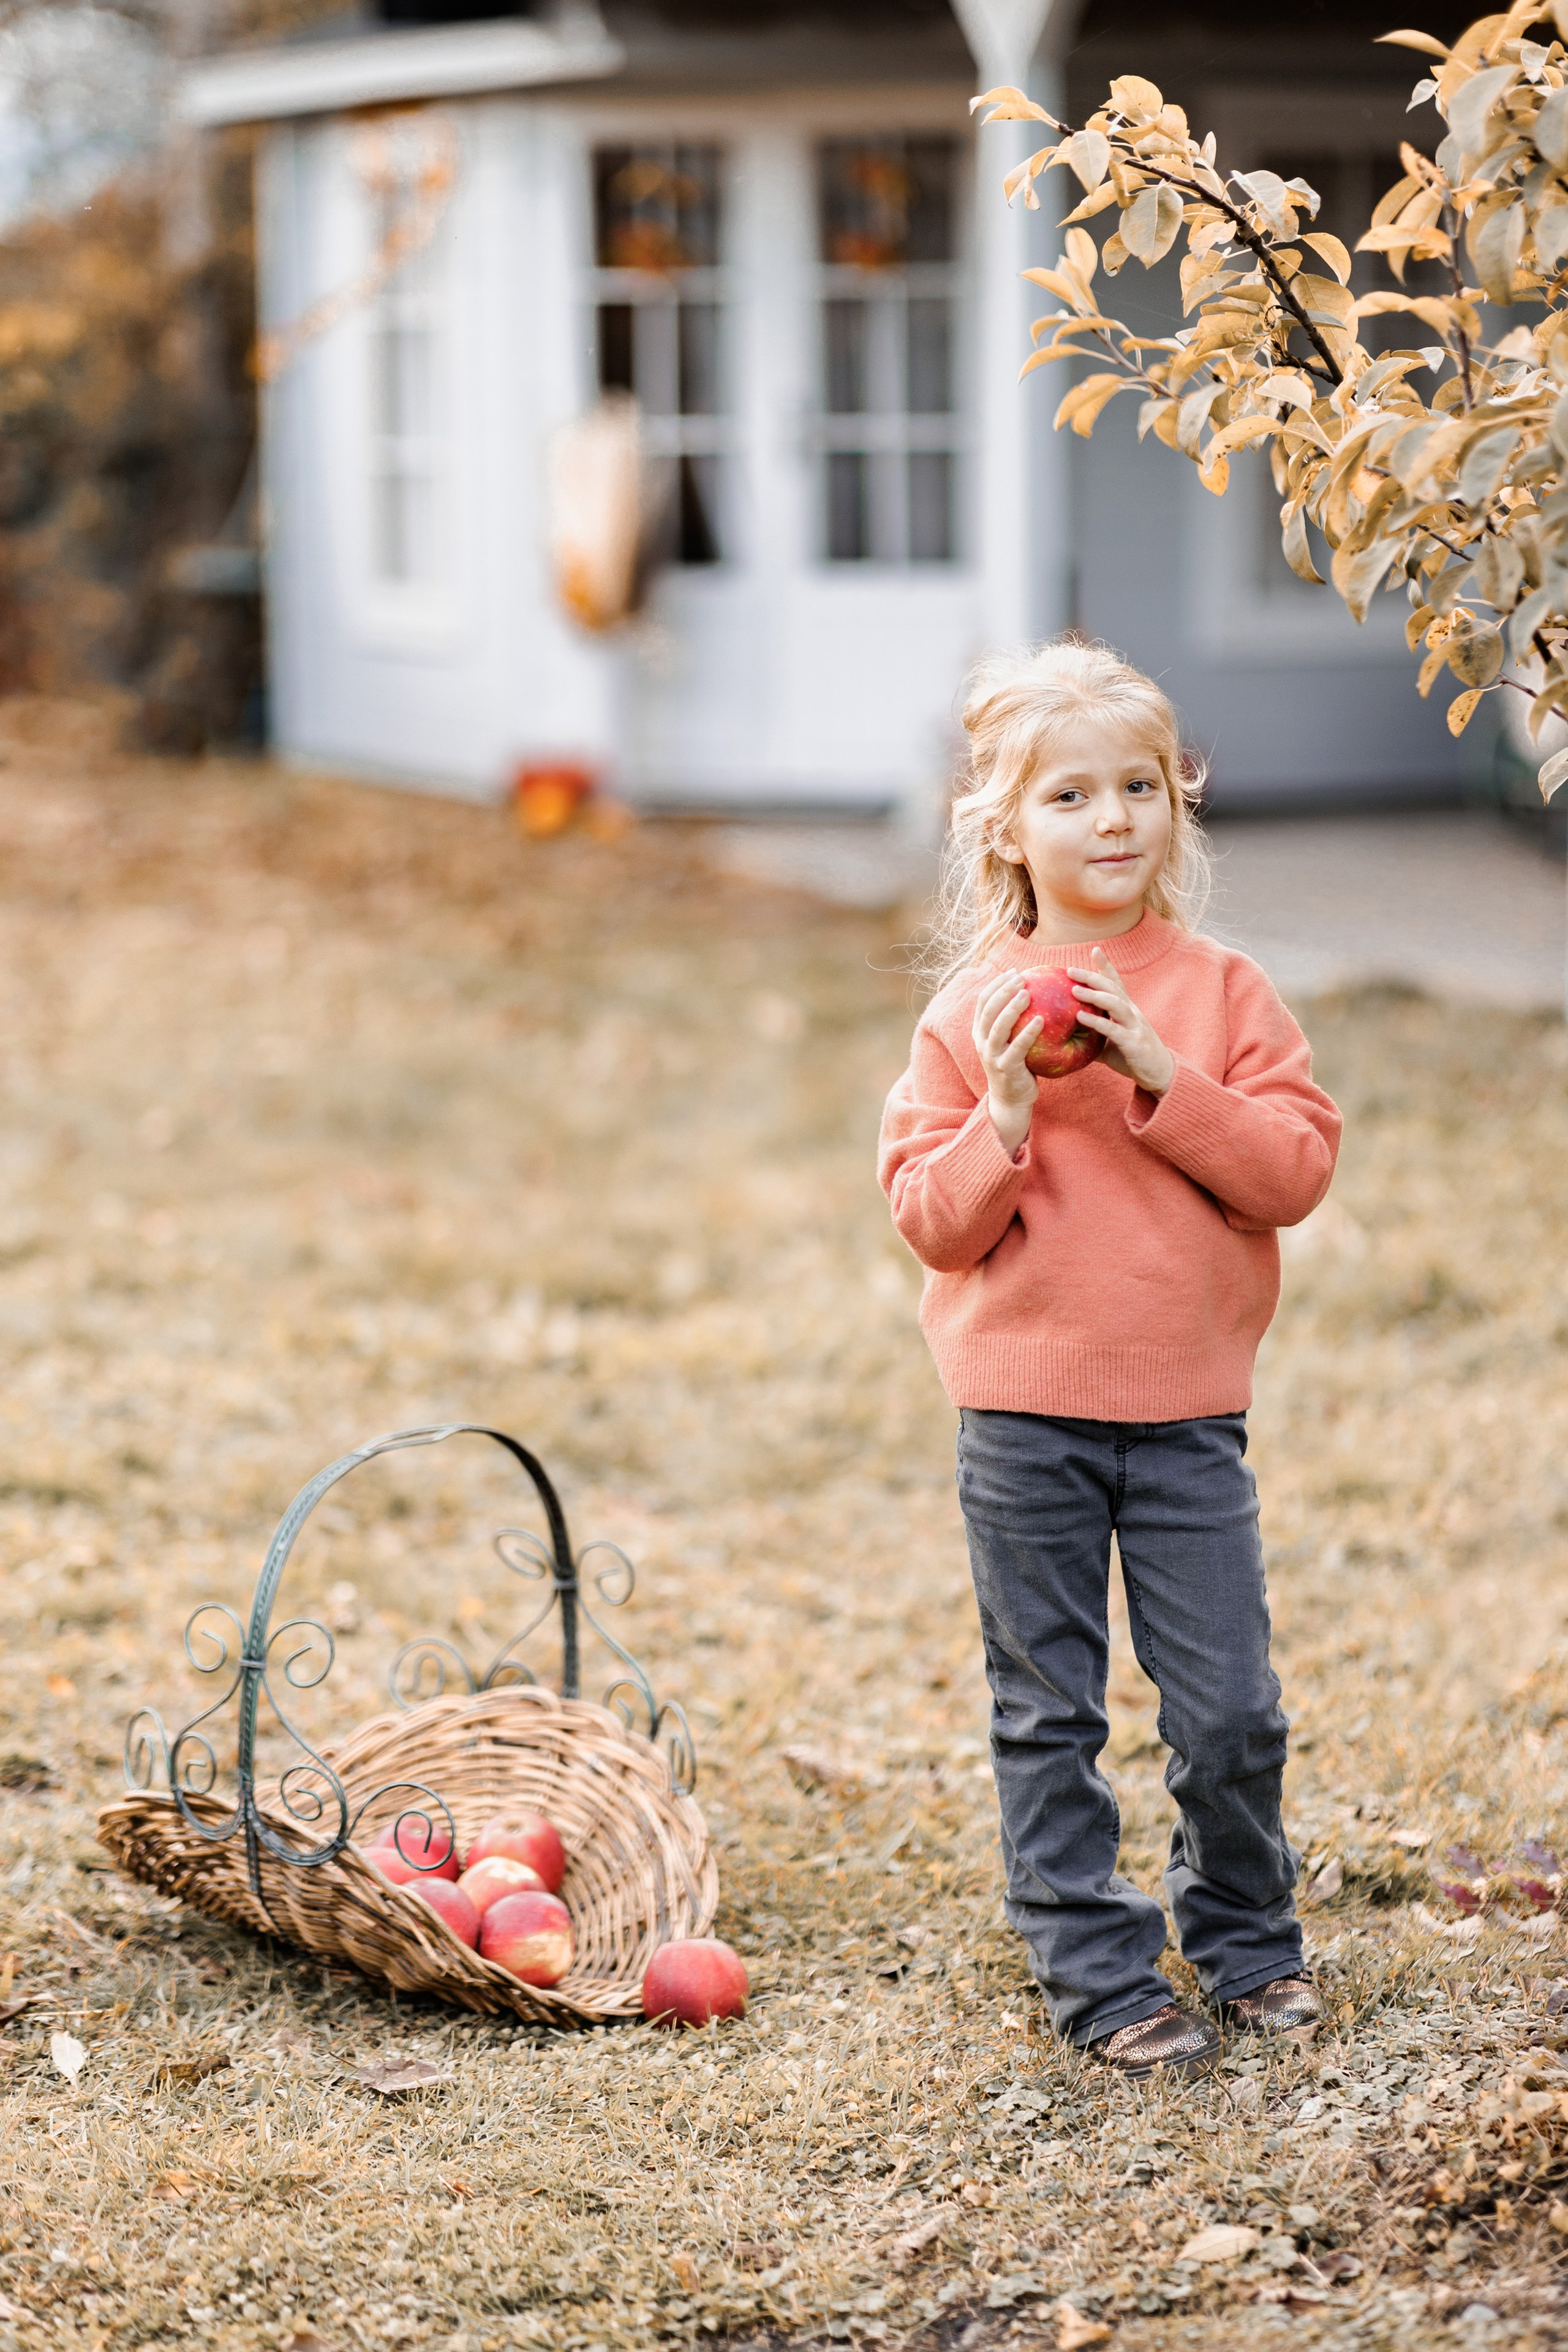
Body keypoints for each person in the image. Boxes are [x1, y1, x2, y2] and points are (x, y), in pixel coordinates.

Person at [878, 638, 1341, 2081]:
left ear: (1176, 802)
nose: (1112, 818)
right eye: (1070, 795)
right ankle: (1089, 1962)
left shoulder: (1219, 994)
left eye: (1138, 785)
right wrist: (1005, 1111)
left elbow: (1289, 1171)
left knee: (1227, 1710)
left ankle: (1245, 1937)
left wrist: (1158, 1070)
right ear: (1002, 829)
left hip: (1185, 1415)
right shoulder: (967, 1019)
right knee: (1048, 1707)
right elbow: (930, 1225)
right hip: (1022, 1416)